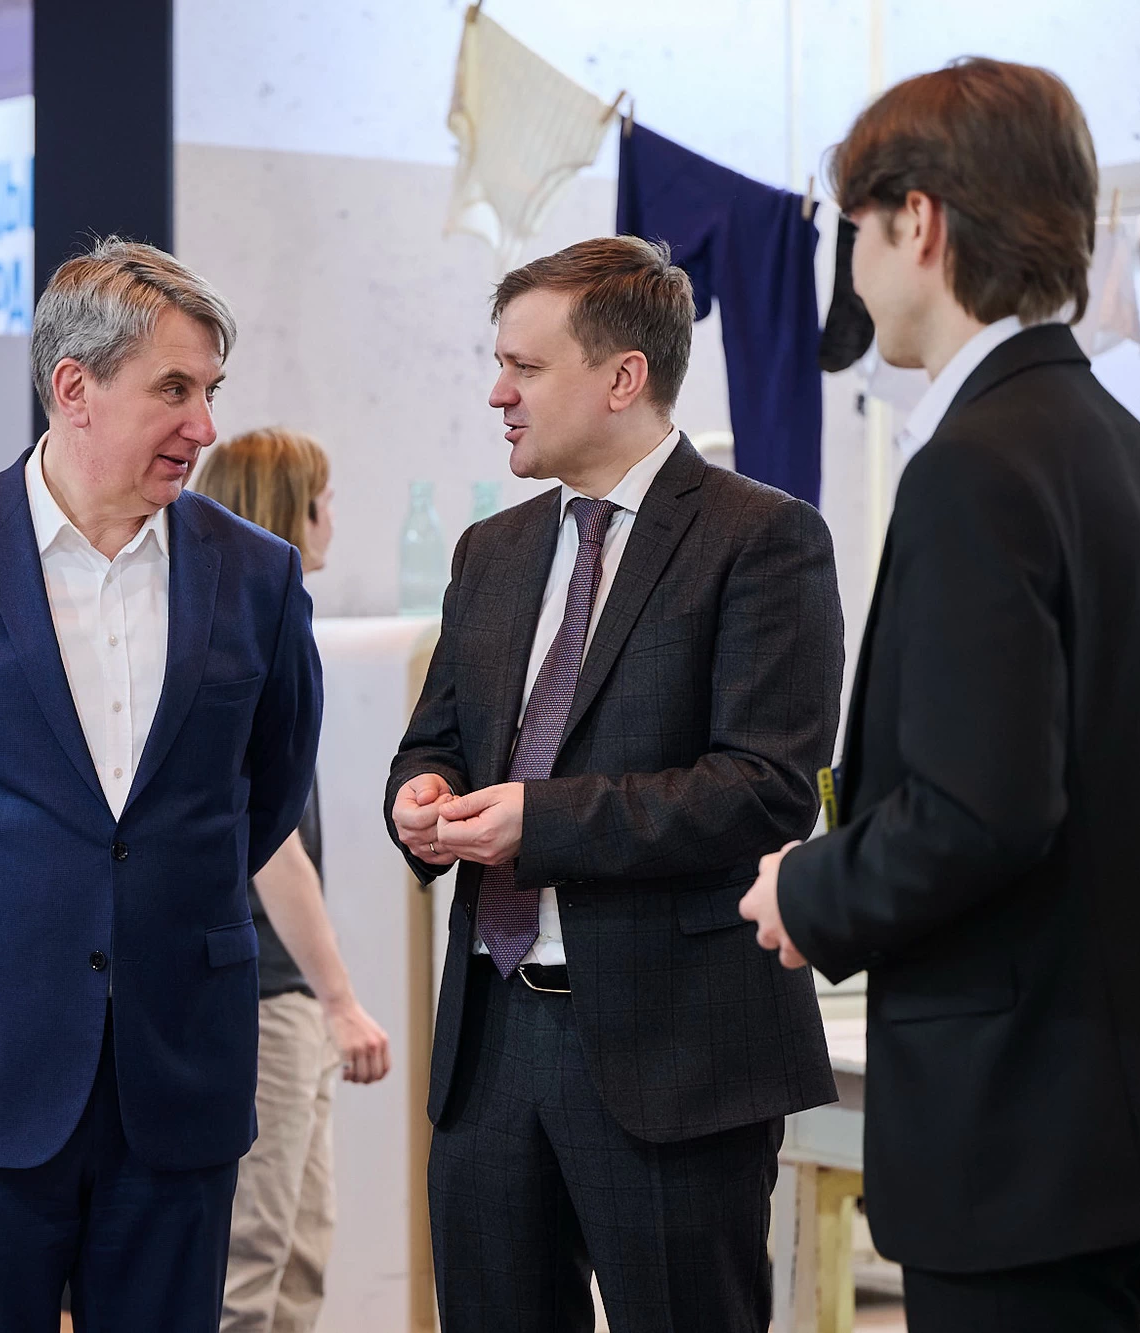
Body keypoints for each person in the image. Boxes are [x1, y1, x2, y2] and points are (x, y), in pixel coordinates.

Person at [738, 58, 1140, 1333]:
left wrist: (806, 889)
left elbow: (979, 809)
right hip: (1105, 1109)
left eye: (854, 229)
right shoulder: (1110, 439)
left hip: (1021, 1121)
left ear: (916, 222)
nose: (850, 268)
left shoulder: (973, 466)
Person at [0, 237, 324, 1333]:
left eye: (212, 390)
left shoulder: (259, 576)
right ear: (74, 388)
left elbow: (269, 788)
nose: (204, 426)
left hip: (177, 1067)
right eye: (174, 389)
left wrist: (146, 899)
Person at [386, 235, 845, 1331]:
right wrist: (422, 795)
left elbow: (764, 787)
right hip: (489, 1049)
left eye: (525, 367)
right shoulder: (490, 551)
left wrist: (537, 821)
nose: (497, 393)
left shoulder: (762, 538)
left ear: (622, 377)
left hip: (676, 1057)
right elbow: (434, 740)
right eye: (498, 364)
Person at [195, 427, 390, 1333]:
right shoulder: (231, 644)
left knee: (302, 1246)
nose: (333, 517)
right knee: (252, 1254)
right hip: (263, 992)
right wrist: (338, 997)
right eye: (325, 497)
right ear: (291, 509)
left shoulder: (270, 629)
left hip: (288, 995)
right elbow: (271, 847)